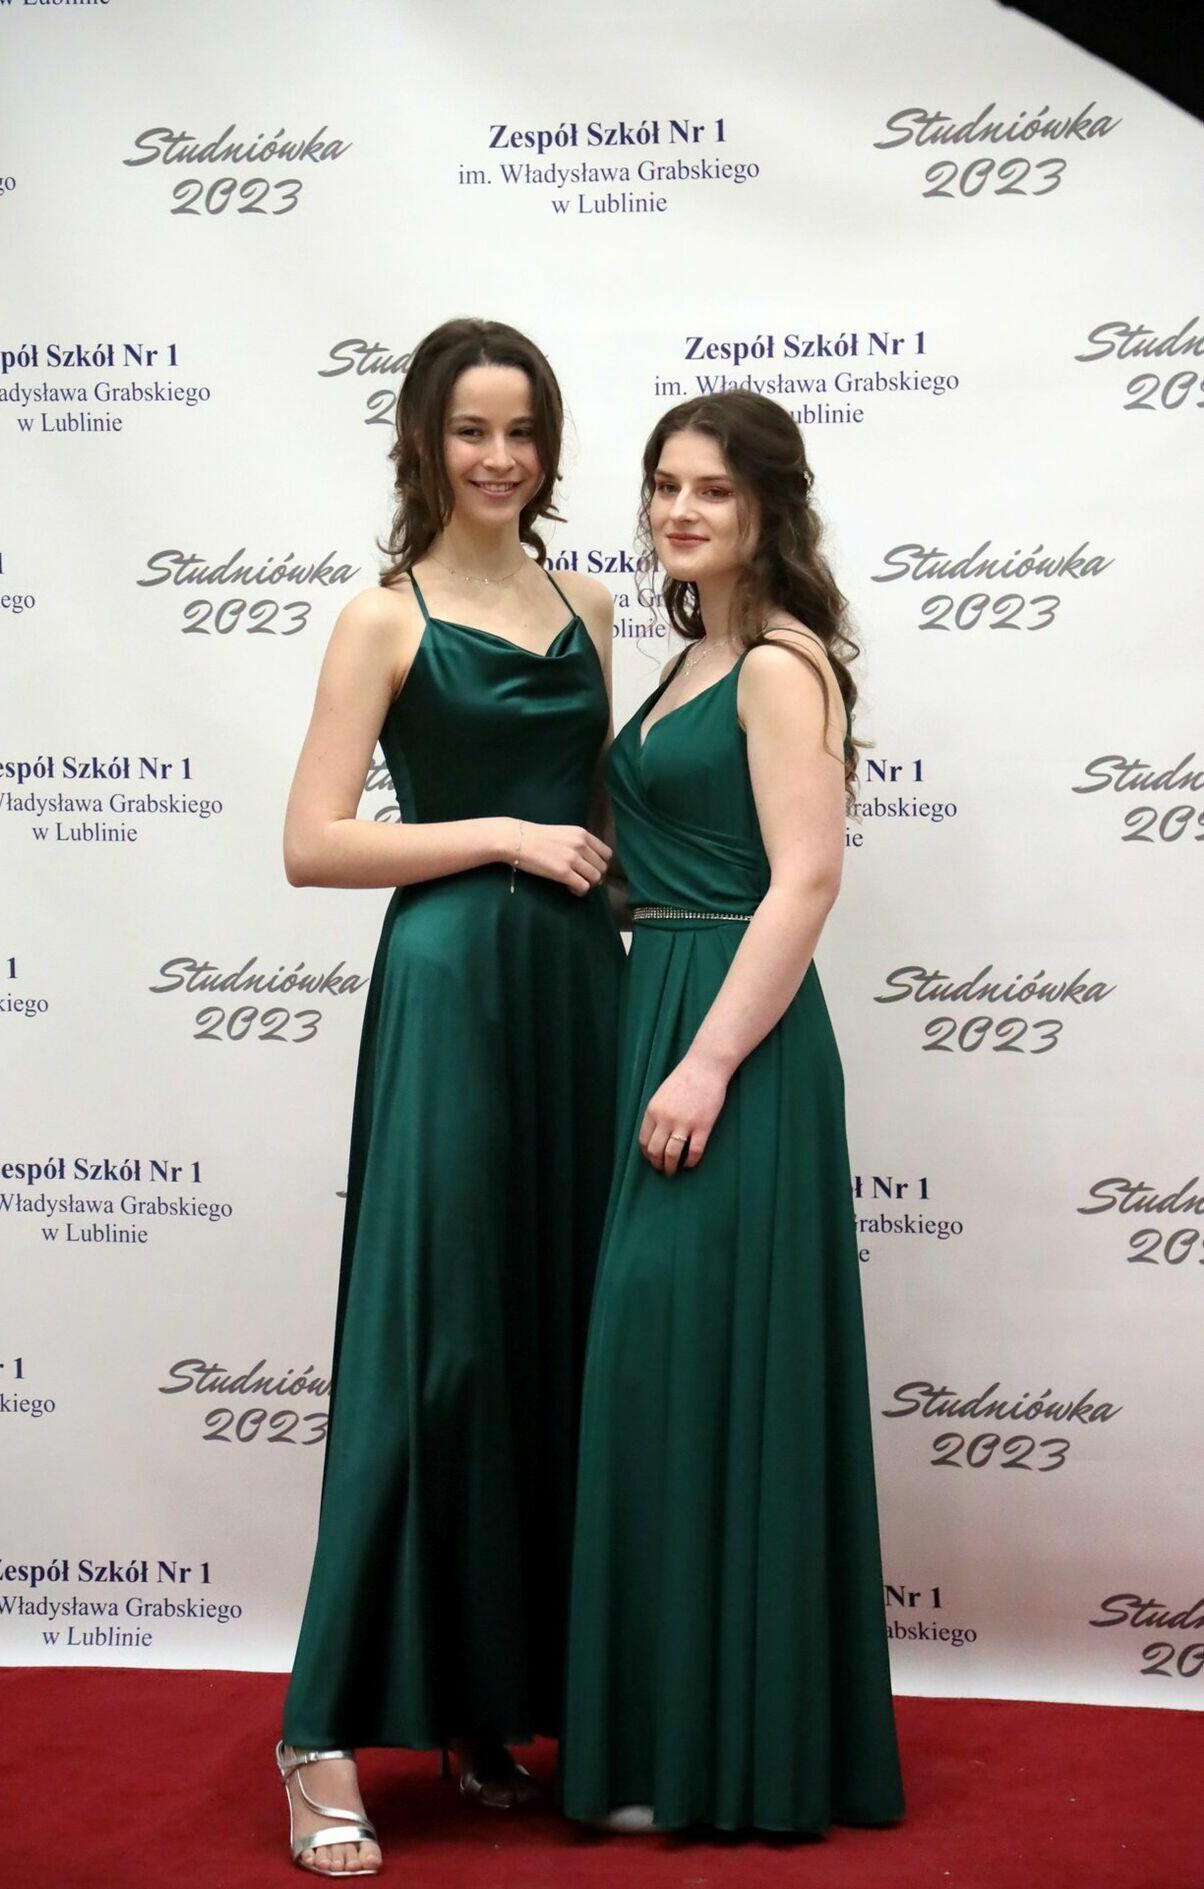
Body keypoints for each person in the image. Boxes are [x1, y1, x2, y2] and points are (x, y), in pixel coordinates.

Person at [276, 317, 623, 1875]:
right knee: (439, 1341)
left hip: (578, 991)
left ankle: (490, 1706)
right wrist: (496, 833)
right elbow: (313, 841)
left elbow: (606, 820)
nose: (500, 456)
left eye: (522, 429)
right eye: (472, 429)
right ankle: (316, 1732)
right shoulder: (382, 618)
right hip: (451, 987)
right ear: (425, 441)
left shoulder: (589, 605)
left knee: (550, 1334)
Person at [560, 391, 905, 1835]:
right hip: (661, 1003)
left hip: (737, 1042)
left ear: (768, 505)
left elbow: (806, 880)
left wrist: (704, 1063)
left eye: (711, 487)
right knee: (666, 1381)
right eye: (663, 486)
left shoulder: (778, 663)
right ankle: (673, 1739)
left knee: (701, 1367)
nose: (680, 511)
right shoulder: (689, 656)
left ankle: (732, 1753)